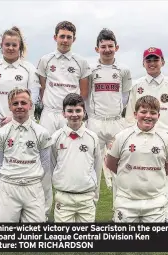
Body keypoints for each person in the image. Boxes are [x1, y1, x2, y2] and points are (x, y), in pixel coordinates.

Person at [0, 26, 41, 220]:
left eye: (14, 45)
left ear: (20, 46)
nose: (11, 48)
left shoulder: (28, 68)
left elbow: (34, 96)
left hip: (21, 123)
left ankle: (25, 210)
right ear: (2, 45)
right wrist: (0, 118)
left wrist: (13, 118)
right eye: (7, 44)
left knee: (18, 165)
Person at [36, 21, 91, 217]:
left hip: (71, 116)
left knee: (69, 159)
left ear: (73, 39)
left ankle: (70, 206)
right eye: (62, 36)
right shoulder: (45, 60)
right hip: (49, 114)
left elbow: (83, 93)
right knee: (45, 162)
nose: (65, 40)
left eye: (69, 37)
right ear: (55, 37)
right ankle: (42, 211)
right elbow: (43, 89)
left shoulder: (81, 62)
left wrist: (73, 112)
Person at [125, 47, 168, 222]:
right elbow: (130, 113)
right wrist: (131, 134)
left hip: (164, 137)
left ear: (162, 62)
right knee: (140, 173)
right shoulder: (137, 85)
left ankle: (166, 211)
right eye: (148, 60)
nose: (152, 63)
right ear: (143, 63)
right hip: (140, 136)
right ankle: (133, 210)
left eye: (155, 60)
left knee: (164, 176)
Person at [106, 95, 168, 222]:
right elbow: (111, 163)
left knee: (152, 242)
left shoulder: (166, 139)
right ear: (135, 114)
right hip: (126, 201)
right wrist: (129, 175)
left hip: (155, 202)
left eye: (153, 113)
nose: (148, 116)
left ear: (158, 116)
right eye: (143, 111)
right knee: (124, 241)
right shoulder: (122, 136)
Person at [0, 88, 52, 222]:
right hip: (9, 187)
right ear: (9, 106)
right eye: (15, 103)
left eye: (23, 103)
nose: (19, 106)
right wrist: (12, 175)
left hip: (33, 187)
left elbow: (46, 164)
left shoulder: (41, 132)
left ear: (30, 105)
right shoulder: (1, 133)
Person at [86, 28, 132, 204]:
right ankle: (90, 208)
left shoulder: (123, 70)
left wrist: (115, 113)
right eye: (103, 46)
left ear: (116, 47)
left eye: (110, 46)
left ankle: (119, 209)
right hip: (95, 123)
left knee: (119, 166)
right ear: (97, 48)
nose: (107, 49)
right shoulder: (90, 70)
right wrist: (92, 116)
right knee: (93, 167)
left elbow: (125, 97)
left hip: (116, 123)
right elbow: (85, 95)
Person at [51, 93, 102, 222]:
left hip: (86, 198)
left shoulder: (92, 137)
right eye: (70, 111)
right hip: (64, 197)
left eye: (78, 110)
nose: (74, 114)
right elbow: (52, 165)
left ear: (84, 112)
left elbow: (97, 168)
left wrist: (94, 197)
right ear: (64, 113)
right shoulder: (56, 137)